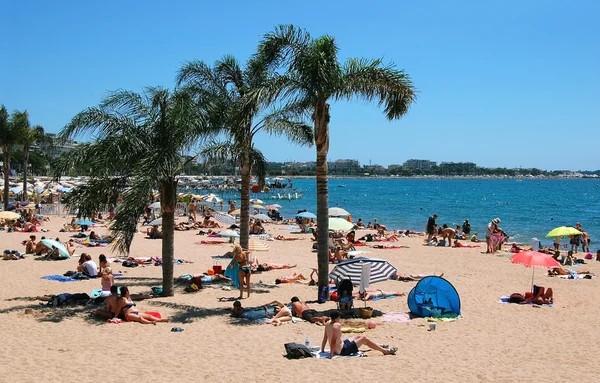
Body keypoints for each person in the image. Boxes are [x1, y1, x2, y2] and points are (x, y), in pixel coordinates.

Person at [321, 311, 396, 358]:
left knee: (358, 336)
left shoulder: (327, 323)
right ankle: (384, 351)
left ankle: (380, 345)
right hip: (342, 350)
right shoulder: (336, 326)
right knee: (364, 339)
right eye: (339, 318)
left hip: (341, 345)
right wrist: (331, 354)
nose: (340, 319)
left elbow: (325, 338)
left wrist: (322, 350)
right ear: (336, 318)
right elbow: (333, 340)